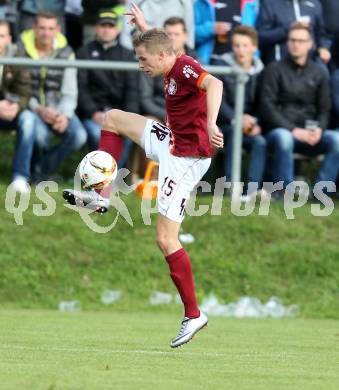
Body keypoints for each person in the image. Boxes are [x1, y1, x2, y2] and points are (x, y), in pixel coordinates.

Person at [63, 3, 224, 348]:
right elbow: (158, 47)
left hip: (187, 159)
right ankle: (102, 196)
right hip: (172, 142)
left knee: (166, 240)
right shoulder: (168, 59)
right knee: (113, 118)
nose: (140, 65)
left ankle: (194, 314)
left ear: (163, 55)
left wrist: (211, 123)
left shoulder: (182, 68)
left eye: (142, 60)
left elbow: (215, 85)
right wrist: (143, 26)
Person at [261, 22, 339, 197]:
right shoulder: (274, 70)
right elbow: (267, 108)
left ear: (310, 44)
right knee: (284, 138)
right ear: (287, 43)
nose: (296, 44)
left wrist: (320, 129)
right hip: (280, 131)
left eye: (301, 41)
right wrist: (294, 130)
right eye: (292, 40)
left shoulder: (319, 72)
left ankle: (321, 193)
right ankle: (286, 193)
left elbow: (325, 109)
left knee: (337, 140)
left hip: (312, 133)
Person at [18, 11, 87, 180]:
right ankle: (37, 174)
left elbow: (70, 90)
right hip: (31, 108)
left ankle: (40, 170)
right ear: (34, 28)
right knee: (40, 137)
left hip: (58, 109)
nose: (46, 33)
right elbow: (21, 90)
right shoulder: (20, 49)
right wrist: (39, 109)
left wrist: (64, 115)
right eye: (42, 28)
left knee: (79, 136)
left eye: (50, 28)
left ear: (57, 29)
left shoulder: (67, 52)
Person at [213, 25, 266, 199]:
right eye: (236, 45)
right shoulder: (221, 65)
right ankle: (231, 187)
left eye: (245, 45)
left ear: (254, 47)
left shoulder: (261, 70)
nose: (240, 50)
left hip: (249, 125)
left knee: (260, 142)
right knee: (234, 135)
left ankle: (251, 193)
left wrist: (255, 123)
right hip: (225, 123)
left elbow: (263, 102)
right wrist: (237, 119)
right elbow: (218, 101)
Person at [77, 9, 138, 155]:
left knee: (129, 136)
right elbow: (81, 88)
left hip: (120, 114)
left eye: (110, 26)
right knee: (95, 134)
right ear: (96, 28)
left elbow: (132, 90)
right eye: (103, 26)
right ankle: (101, 174)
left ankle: (111, 176)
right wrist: (93, 113)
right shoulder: (84, 52)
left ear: (117, 30)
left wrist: (127, 117)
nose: (106, 30)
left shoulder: (127, 54)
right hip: (93, 115)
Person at [0, 19, 35, 193]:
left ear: (8, 39)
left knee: (28, 119)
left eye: (1, 36)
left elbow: (25, 92)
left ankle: (20, 177)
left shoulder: (18, 57)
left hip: (11, 111)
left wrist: (15, 107)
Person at [256, 0, 331, 66]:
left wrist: (323, 47)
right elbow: (260, 37)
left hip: (310, 64)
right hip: (279, 64)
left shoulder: (315, 3)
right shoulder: (270, 3)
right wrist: (288, 30)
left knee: (324, 71)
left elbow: (321, 34)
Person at [120, 0, 194, 51]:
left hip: (174, 53)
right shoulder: (135, 2)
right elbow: (127, 31)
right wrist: (130, 54)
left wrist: (188, 54)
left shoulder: (185, 2)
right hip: (143, 52)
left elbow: (188, 32)